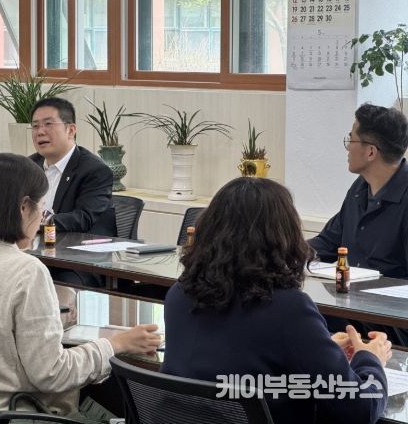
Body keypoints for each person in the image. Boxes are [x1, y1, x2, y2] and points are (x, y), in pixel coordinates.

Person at [0, 153, 160, 418]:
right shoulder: (26, 271)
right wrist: (116, 344)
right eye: (43, 209)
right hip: (11, 416)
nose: (42, 220)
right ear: (24, 207)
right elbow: (52, 374)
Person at [162, 177, 390, 424]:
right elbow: (361, 409)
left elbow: (238, 356)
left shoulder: (178, 295)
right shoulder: (288, 310)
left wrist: (320, 348)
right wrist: (370, 359)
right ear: (283, 237)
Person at [308, 104, 408, 278]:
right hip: (351, 293)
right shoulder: (359, 188)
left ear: (370, 152)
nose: (347, 148)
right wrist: (280, 255)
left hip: (388, 296)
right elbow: (327, 243)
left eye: (351, 140)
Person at [29, 97, 116, 287]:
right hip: (37, 255)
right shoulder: (29, 165)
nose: (40, 131)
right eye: (35, 126)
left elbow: (83, 218)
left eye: (48, 124)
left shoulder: (94, 170)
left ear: (71, 130)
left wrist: (40, 221)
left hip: (79, 263)